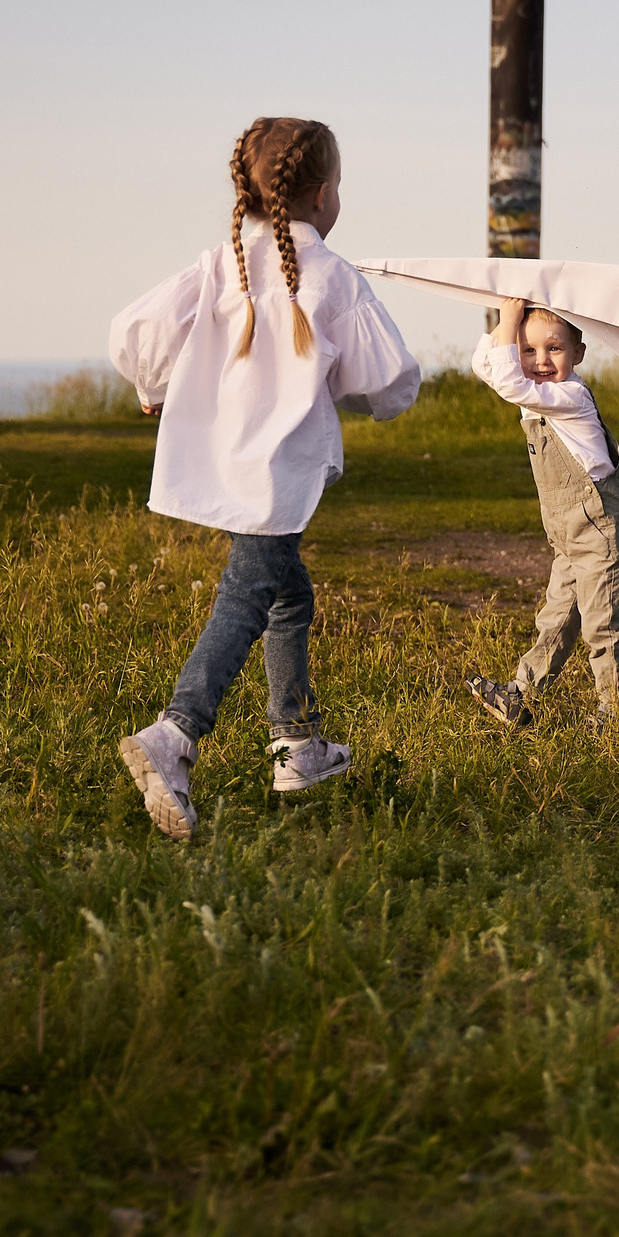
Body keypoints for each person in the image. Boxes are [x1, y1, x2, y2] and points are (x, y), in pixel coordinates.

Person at [107, 117, 421, 839]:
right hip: (279, 468)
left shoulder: (221, 264)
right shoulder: (330, 275)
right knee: (250, 590)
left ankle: (297, 745)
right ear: (322, 194)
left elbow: (135, 331)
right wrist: (372, 401)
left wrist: (154, 384)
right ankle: (176, 733)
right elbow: (389, 378)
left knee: (287, 593)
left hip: (227, 455)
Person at [464, 295, 619, 728]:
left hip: (599, 529)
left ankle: (616, 715)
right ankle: (521, 695)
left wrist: (510, 322)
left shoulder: (568, 394)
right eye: (528, 350)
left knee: (602, 625)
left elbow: (507, 381)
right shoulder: (537, 393)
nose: (540, 360)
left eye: (554, 348)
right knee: (556, 617)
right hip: (567, 533)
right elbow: (484, 365)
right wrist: (507, 319)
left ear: (578, 353)